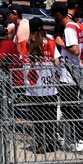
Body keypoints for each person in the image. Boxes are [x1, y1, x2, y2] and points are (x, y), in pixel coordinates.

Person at [20, 17, 60, 153]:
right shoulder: (50, 43)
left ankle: (39, 144)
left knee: (37, 119)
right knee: (50, 119)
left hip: (32, 89)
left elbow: (22, 61)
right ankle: (50, 145)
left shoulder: (25, 44)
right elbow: (58, 62)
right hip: (49, 88)